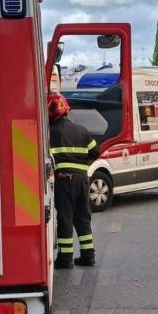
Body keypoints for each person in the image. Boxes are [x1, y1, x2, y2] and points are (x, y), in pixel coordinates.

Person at [48, 93, 100, 269]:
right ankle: (88, 255)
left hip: (64, 180)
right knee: (83, 217)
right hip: (82, 180)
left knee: (65, 218)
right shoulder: (82, 130)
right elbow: (95, 153)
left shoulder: (50, 133)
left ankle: (66, 258)